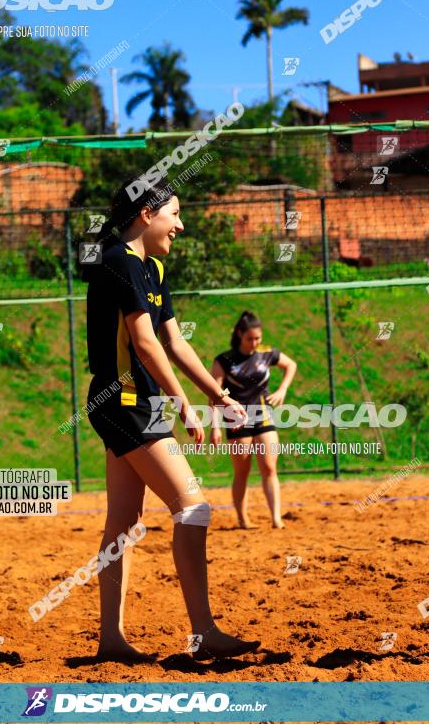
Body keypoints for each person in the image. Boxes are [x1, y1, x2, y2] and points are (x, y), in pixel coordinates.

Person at [82, 176, 260, 662]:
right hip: (124, 402)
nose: (180, 224)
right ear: (146, 213)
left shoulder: (151, 267)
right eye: (174, 213)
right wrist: (184, 402)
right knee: (194, 508)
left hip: (137, 402)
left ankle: (111, 640)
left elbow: (175, 341)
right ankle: (204, 633)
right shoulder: (118, 260)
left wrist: (217, 394)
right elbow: (143, 343)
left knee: (123, 521)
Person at [209, 311, 297, 530]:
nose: (255, 343)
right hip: (237, 419)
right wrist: (215, 427)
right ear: (239, 334)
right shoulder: (224, 360)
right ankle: (242, 518)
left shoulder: (266, 354)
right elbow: (213, 393)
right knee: (242, 471)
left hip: (263, 414)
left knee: (269, 467)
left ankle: (276, 518)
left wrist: (283, 389)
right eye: (250, 339)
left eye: (258, 338)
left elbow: (291, 365)